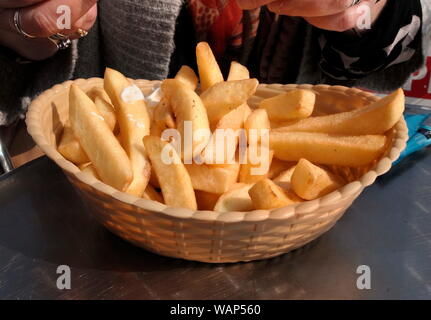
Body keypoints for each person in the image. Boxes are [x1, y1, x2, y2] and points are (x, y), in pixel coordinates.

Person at [0, 0, 428, 129]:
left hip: (320, 233)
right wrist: (29, 31)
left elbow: (408, 19)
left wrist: (366, 11)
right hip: (96, 226)